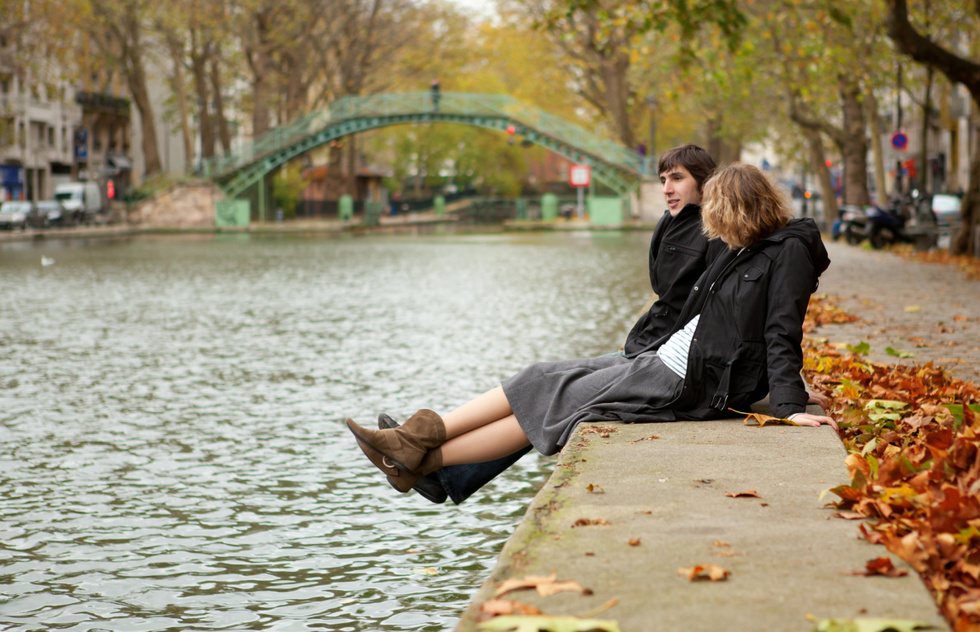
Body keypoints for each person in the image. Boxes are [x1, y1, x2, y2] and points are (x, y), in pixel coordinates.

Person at [347, 163, 836, 496]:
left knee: (554, 404)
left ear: (740, 208)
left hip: (685, 380)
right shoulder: (747, 247)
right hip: (667, 361)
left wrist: (790, 405)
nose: (713, 225)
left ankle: (421, 462)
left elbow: (780, 330)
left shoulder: (786, 251)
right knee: (542, 378)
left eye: (718, 213)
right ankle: (416, 441)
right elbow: (698, 313)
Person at [379, 144, 727, 505]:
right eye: (662, 180)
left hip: (662, 361)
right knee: (541, 386)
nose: (667, 188)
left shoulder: (707, 233)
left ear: (705, 183)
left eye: (677, 178)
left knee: (549, 393)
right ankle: (430, 458)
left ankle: (428, 459)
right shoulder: (671, 224)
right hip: (652, 351)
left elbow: (687, 310)